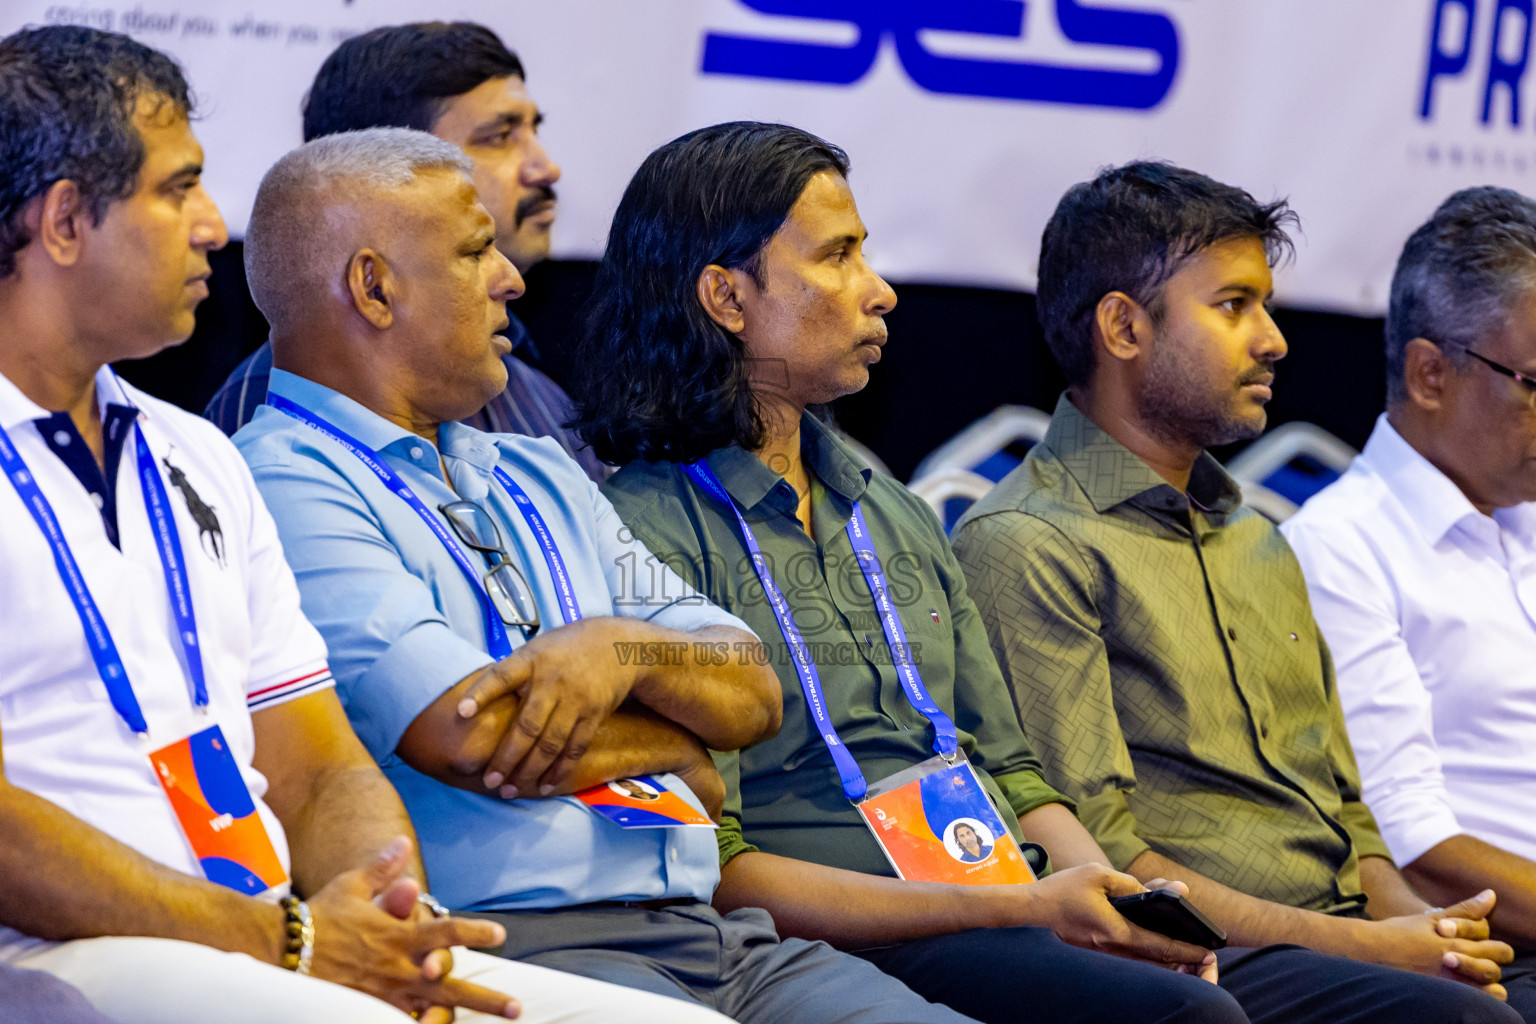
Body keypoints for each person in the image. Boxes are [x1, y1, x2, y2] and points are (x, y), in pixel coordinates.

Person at [0, 24, 717, 1024]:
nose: (214, 224)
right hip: (63, 950)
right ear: (67, 221)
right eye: (178, 189)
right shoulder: (269, 452)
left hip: (267, 937)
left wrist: (393, 921)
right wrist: (291, 940)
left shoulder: (191, 455)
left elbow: (318, 761)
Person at [231, 124, 980, 1024]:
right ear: (374, 286)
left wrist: (625, 650)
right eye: (476, 252)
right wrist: (677, 745)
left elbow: (750, 687)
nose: (512, 278)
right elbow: (471, 732)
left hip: (714, 934)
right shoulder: (279, 478)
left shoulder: (538, 470)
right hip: (519, 940)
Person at [585, 121, 1254, 1024]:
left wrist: (1101, 895)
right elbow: (715, 863)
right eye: (838, 257)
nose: (881, 291)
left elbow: (1013, 774)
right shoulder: (641, 529)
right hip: (830, 937)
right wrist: (1019, 906)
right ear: (726, 297)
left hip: (992, 900)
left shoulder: (886, 504)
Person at [950, 159, 1528, 1024]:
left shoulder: (1257, 538)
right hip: (1202, 959)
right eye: (1234, 307)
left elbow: (1349, 821)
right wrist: (1383, 950)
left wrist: (1435, 940)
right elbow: (1108, 862)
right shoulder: (1028, 542)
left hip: (1343, 937)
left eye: (1267, 307)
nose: (1273, 340)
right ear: (1122, 326)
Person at [1282, 186, 1536, 1015]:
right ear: (1431, 373)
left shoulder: (1525, 514)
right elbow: (1412, 845)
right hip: (1495, 949)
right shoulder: (1342, 548)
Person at [204, 21, 603, 481]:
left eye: (534, 130)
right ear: (383, 169)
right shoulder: (269, 416)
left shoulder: (539, 393)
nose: (545, 167)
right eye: (499, 136)